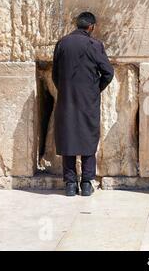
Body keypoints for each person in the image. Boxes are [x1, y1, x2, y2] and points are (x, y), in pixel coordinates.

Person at [52, 12, 114, 197]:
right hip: (88, 100)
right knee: (88, 136)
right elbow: (108, 73)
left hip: (67, 98)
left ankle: (70, 184)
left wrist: (64, 89)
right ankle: (87, 183)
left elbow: (55, 74)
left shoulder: (62, 43)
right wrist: (95, 90)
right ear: (91, 27)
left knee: (68, 135)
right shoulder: (95, 45)